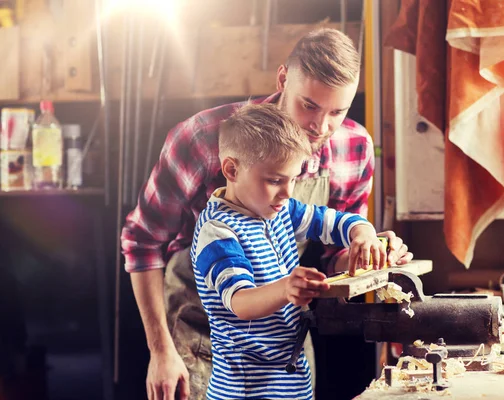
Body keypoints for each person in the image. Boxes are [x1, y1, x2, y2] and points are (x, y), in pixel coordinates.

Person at [121, 28, 413, 400]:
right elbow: (142, 243)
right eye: (308, 105)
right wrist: (161, 351)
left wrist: (370, 252)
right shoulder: (203, 138)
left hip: (284, 350)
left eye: (337, 111)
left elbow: (334, 257)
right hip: (203, 344)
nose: (320, 128)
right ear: (282, 79)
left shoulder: (353, 147)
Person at [192, 103, 386, 399]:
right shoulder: (218, 231)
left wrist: (363, 233)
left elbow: (334, 222)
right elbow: (241, 302)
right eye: (274, 181)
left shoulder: (279, 210)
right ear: (232, 169)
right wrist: (286, 289)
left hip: (290, 378)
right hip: (248, 389)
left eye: (293, 179)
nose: (287, 192)